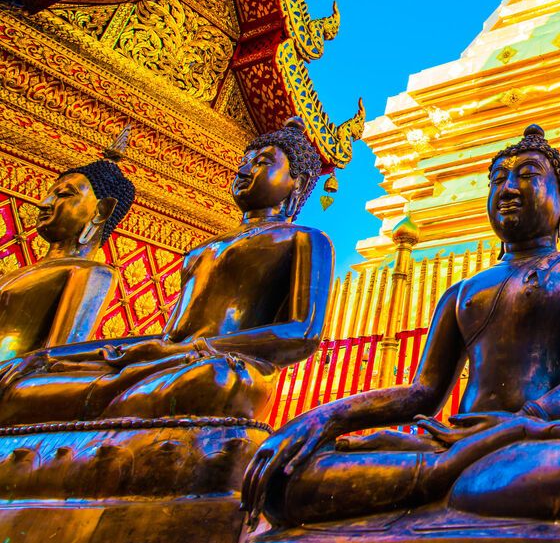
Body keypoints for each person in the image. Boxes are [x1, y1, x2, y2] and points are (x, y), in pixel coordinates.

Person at [241, 124, 560, 527]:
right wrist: (324, 419)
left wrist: (523, 420)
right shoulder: (463, 292)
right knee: (284, 483)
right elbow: (422, 394)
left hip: (539, 439)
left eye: (527, 174)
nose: (509, 187)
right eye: (498, 178)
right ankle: (455, 478)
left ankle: (447, 481)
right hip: (455, 442)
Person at [0, 117, 332, 424]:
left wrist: (192, 350)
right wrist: (52, 356)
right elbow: (170, 335)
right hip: (166, 360)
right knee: (25, 380)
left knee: (204, 378)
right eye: (245, 160)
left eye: (261, 163)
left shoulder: (303, 239)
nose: (244, 170)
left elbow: (302, 334)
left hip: (216, 367)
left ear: (297, 185)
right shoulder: (203, 250)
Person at [0, 128, 135, 362]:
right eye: (50, 194)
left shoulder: (90, 273)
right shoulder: (20, 273)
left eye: (63, 195)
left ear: (101, 212)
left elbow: (55, 359)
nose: (44, 203)